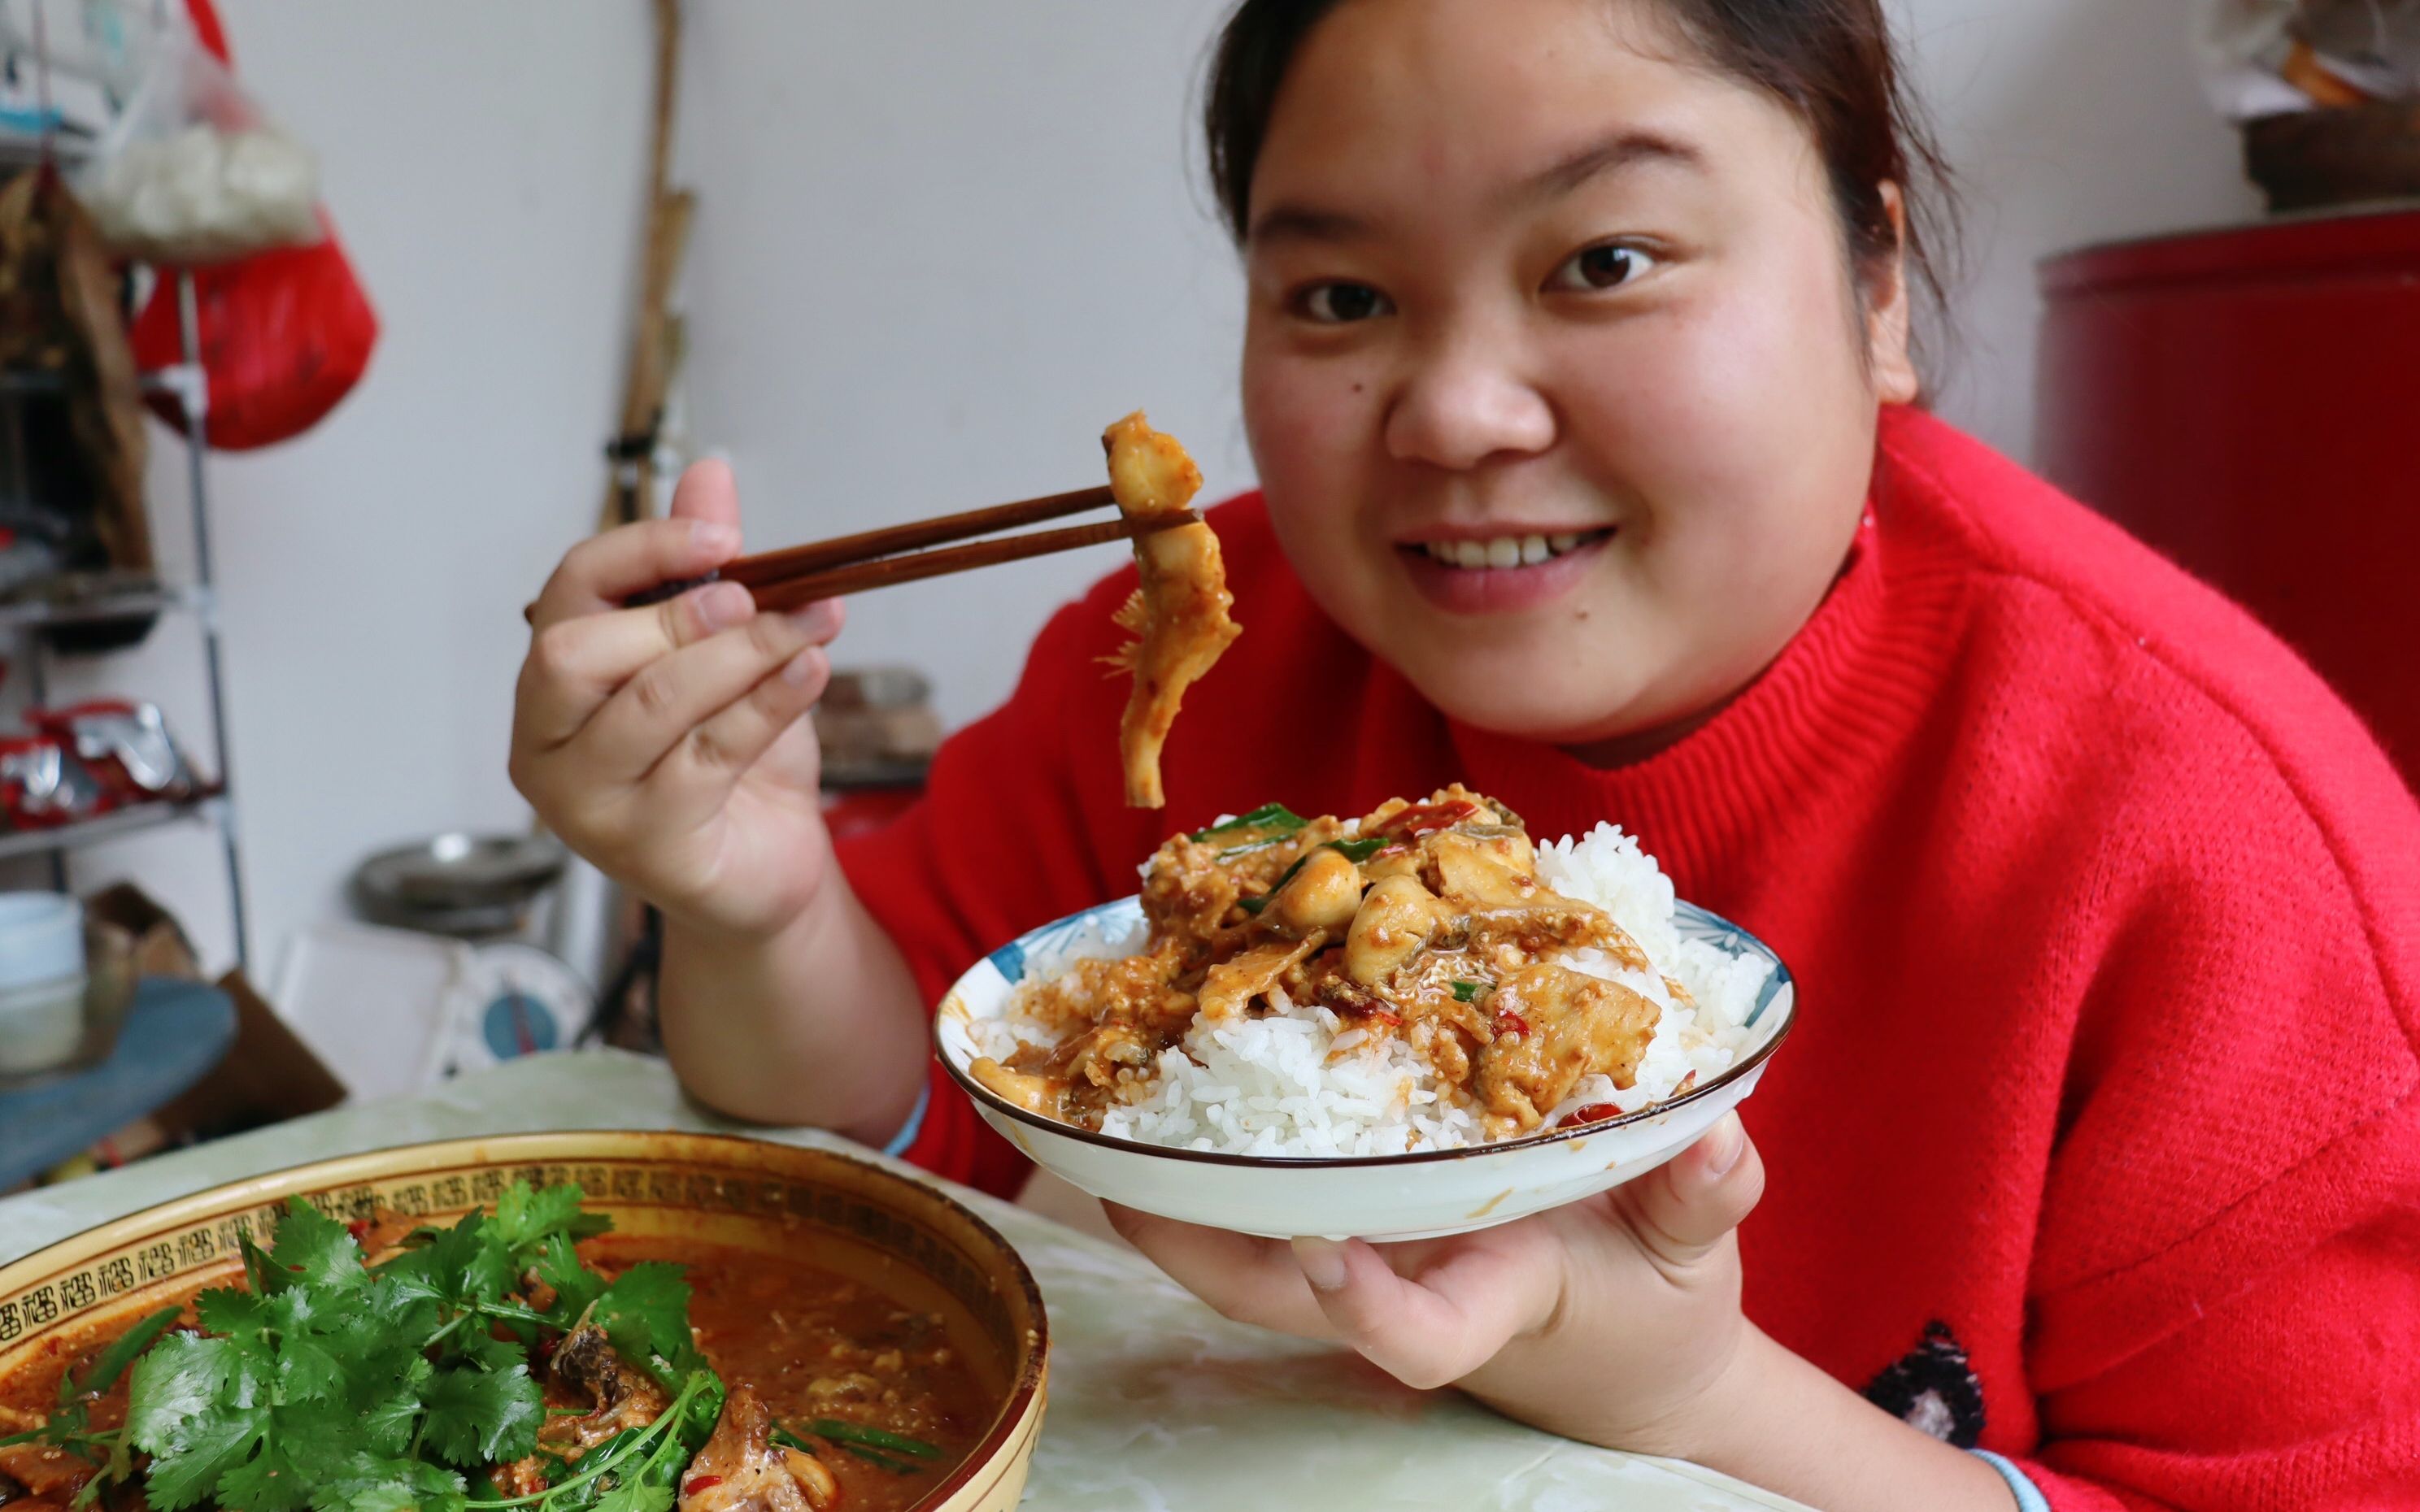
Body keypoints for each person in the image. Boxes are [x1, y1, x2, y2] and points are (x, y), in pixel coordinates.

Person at [510, 1, 2420, 1505]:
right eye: (1341, 297)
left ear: (1875, 286)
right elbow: (898, 1125)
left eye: (1603, 261)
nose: (1457, 411)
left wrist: (1691, 1390)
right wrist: (752, 904)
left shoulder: (2204, 842)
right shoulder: (1205, 657)